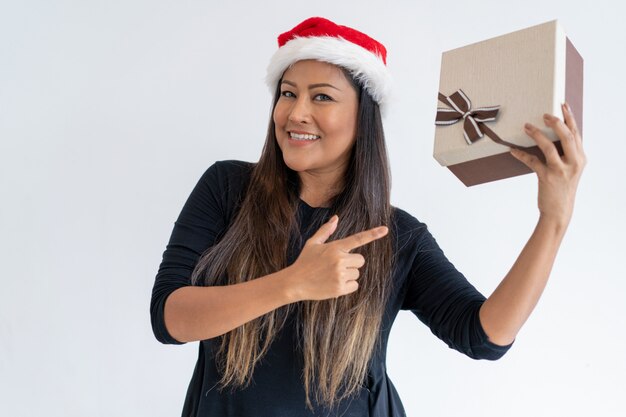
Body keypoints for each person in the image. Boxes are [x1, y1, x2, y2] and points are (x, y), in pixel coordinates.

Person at [150, 16, 586, 417]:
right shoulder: (227, 188)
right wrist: (292, 283)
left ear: (364, 116)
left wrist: (553, 220)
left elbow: (484, 336)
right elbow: (169, 319)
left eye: (322, 96)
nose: (296, 112)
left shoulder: (398, 236)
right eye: (288, 93)